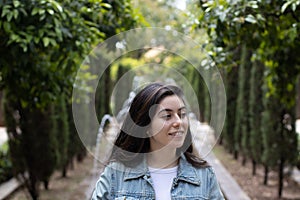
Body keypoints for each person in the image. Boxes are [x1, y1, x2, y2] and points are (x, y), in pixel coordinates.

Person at [91, 82, 224, 200]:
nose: (178, 122)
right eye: (167, 116)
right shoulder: (116, 173)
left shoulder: (204, 175)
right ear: (146, 127)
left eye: (182, 114)